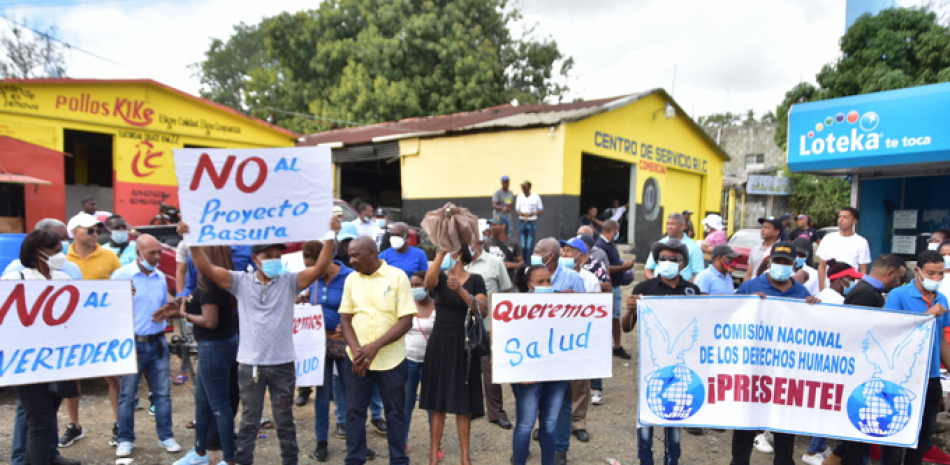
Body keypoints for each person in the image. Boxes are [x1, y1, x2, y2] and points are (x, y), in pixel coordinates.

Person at [178, 221, 326, 465]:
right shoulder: (240, 282)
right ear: (255, 259)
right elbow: (205, 266)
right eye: (269, 256)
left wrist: (330, 235)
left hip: (283, 366)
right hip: (250, 366)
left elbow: (320, 267)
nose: (275, 260)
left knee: (285, 421)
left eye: (278, 256)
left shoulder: (289, 282)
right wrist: (191, 239)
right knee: (249, 421)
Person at [731, 241, 819, 465]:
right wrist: (747, 304)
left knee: (784, 420)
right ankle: (739, 461)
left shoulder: (801, 292)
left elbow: (810, 328)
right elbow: (731, 320)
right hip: (753, 366)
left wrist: (815, 308)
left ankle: (784, 461)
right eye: (777, 261)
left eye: (786, 262)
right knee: (746, 419)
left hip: (785, 369)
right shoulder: (749, 287)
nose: (781, 265)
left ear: (794, 265)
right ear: (770, 262)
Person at [3, 229, 81, 465]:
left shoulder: (63, 280)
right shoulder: (14, 280)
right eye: (57, 251)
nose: (62, 255)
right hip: (27, 364)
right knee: (38, 423)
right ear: (40, 253)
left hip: (57, 362)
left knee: (46, 418)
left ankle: (41, 458)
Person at [622, 238, 701, 465]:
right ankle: (645, 459)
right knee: (647, 414)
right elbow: (627, 328)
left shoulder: (692, 291)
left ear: (683, 263)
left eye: (673, 259)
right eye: (662, 258)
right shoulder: (644, 289)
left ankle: (672, 459)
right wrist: (630, 311)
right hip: (652, 366)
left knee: (675, 414)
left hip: (683, 366)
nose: (667, 262)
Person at [340, 236, 416, 465]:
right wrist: (356, 351)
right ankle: (355, 458)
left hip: (391, 360)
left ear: (372, 253)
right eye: (349, 256)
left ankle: (398, 459)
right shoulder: (351, 280)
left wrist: (376, 346)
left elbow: (406, 321)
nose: (351, 260)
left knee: (394, 413)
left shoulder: (397, 277)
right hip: (357, 361)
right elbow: (345, 319)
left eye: (355, 256)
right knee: (354, 413)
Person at [825, 254, 906, 465]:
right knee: (856, 440)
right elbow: (859, 335)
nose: (899, 283)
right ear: (890, 273)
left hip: (863, 371)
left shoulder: (867, 291)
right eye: (899, 277)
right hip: (861, 372)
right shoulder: (866, 295)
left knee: (856, 440)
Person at [110, 234, 182, 458]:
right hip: (132, 343)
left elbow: (164, 309)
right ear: (138, 253)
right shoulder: (121, 276)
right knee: (127, 395)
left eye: (159, 252)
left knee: (162, 393)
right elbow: (109, 310)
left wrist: (171, 309)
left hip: (157, 341)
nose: (157, 256)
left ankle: (166, 436)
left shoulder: (160, 276)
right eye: (152, 252)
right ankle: (125, 439)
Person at [878, 250, 950, 465]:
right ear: (918, 271)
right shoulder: (898, 296)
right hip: (901, 376)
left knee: (925, 432)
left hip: (931, 376)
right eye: (931, 273)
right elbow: (892, 332)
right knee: (895, 431)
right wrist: (927, 315)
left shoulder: (942, 298)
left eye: (941, 274)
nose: (936, 279)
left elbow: (942, 341)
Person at [171, 246, 239, 465]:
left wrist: (185, 314)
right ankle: (200, 452)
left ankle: (229, 459)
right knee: (202, 401)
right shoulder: (219, 277)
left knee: (219, 406)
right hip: (217, 344)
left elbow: (210, 321)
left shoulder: (209, 281)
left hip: (214, 346)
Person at [422, 244, 487, 465]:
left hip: (464, 342)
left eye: (450, 251)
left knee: (463, 402)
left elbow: (482, 309)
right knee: (438, 401)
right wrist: (439, 253)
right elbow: (427, 284)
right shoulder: (439, 276)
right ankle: (433, 454)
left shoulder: (476, 278)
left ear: (459, 255)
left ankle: (465, 457)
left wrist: (460, 289)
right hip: (440, 341)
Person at [62, 212, 123, 448]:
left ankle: (119, 424)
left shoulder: (110, 256)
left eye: (98, 230)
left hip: (103, 325)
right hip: (72, 326)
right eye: (90, 230)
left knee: (113, 375)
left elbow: (120, 288)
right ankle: (74, 425)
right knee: (71, 376)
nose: (96, 234)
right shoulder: (61, 259)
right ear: (75, 231)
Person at [526, 238, 586, 465]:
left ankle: (561, 448)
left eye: (537, 251)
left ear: (549, 255)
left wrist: (572, 302)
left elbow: (585, 312)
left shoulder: (573, 278)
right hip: (537, 346)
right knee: (537, 394)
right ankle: (542, 431)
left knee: (562, 399)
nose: (533, 254)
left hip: (563, 346)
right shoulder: (531, 274)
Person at [509, 264, 571, 465]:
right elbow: (510, 342)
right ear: (530, 285)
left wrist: (575, 303)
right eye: (540, 282)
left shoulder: (562, 304)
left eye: (549, 280)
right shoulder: (517, 307)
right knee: (526, 424)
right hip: (528, 376)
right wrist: (521, 371)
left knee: (550, 423)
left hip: (556, 373)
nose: (546, 285)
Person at [558, 236, 605, 444]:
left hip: (580, 337)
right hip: (556, 337)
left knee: (580, 383)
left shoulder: (590, 280)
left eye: (568, 251)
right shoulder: (552, 276)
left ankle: (578, 423)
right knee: (552, 381)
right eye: (563, 251)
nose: (564, 255)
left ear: (581, 256)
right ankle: (544, 424)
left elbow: (595, 309)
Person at [463, 239, 513, 430]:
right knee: (468, 370)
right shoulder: (459, 263)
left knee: (491, 373)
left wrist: (505, 323)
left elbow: (507, 291)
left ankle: (497, 413)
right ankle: (474, 408)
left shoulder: (494, 262)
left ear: (478, 241)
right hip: (466, 327)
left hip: (489, 327)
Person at [405, 271, 438, 456]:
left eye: (419, 284)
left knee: (432, 407)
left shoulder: (438, 307)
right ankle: (402, 441)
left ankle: (435, 446)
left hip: (430, 364)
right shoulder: (406, 306)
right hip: (409, 361)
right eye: (413, 285)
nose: (415, 288)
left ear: (429, 285)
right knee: (405, 405)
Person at [596, 220, 636, 361]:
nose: (618, 233)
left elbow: (614, 262)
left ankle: (617, 346)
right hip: (610, 287)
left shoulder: (610, 244)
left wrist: (623, 263)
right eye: (617, 230)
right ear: (613, 230)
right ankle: (615, 346)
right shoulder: (600, 247)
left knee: (615, 317)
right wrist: (623, 268)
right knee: (612, 318)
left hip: (616, 286)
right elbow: (606, 269)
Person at [3, 218, 83, 280]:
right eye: (55, 252)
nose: (60, 256)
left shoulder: (65, 279)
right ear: (38, 253)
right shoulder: (13, 278)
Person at [817, 207, 871, 290]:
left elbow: (863, 271)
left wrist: (857, 291)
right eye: (839, 217)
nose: (840, 220)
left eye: (845, 217)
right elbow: (822, 266)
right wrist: (821, 290)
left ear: (854, 221)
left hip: (850, 289)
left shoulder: (862, 242)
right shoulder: (828, 239)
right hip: (830, 289)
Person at [644, 213, 704, 282]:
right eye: (668, 224)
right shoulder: (660, 244)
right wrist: (656, 285)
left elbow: (699, 273)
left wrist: (684, 288)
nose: (669, 227)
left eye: (672, 224)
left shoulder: (693, 247)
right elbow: (647, 269)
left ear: (683, 226)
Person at [484, 214, 524, 283]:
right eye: (491, 225)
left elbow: (521, 263)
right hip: (492, 281)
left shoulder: (513, 242)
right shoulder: (487, 243)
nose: (491, 228)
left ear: (503, 226)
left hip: (508, 281)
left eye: (495, 225)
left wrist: (510, 265)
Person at [744, 217, 781, 282]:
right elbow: (749, 273)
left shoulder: (781, 250)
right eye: (762, 227)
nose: (762, 230)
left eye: (767, 227)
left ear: (776, 232)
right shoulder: (755, 249)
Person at [516, 180, 543, 262]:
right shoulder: (519, 197)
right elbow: (517, 210)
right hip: (522, 222)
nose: (523, 189)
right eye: (522, 187)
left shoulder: (536, 197)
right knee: (523, 245)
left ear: (529, 187)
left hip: (531, 222)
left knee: (529, 245)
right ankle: (523, 262)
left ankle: (529, 263)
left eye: (525, 187)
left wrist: (533, 213)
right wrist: (520, 213)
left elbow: (541, 210)